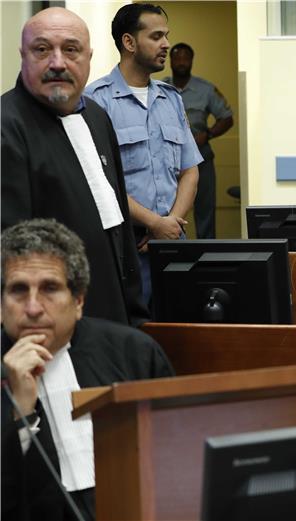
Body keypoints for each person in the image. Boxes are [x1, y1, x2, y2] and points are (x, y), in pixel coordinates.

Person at [1, 219, 175, 521]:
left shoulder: (133, 353)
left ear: (78, 300)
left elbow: (177, 458)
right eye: (18, 291)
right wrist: (21, 411)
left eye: (50, 288)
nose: (33, 307)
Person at [1, 7, 148, 327]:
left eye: (71, 49)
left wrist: (136, 317)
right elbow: (10, 252)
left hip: (114, 317)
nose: (57, 63)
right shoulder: (7, 125)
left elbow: (119, 227)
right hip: (48, 328)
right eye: (42, 49)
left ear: (89, 56)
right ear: (23, 55)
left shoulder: (96, 117)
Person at [85, 3, 202, 305]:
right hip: (128, 247)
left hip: (173, 243)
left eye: (166, 36)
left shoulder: (170, 99)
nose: (166, 44)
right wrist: (154, 223)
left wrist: (170, 225)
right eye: (156, 36)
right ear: (129, 42)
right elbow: (99, 181)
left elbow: (190, 170)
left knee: (178, 331)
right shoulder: (96, 102)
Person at [164, 42, 234, 239]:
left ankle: (206, 258)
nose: (181, 62)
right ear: (170, 61)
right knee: (167, 211)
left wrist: (209, 134)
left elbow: (227, 117)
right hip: (168, 159)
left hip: (201, 157)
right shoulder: (159, 88)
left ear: (192, 61)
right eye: (177, 57)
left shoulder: (206, 89)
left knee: (205, 211)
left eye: (185, 58)